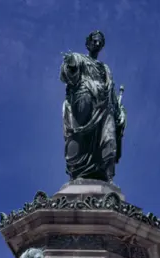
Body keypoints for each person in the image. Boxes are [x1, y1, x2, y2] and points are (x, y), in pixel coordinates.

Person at [60, 30, 127, 181]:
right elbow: (68, 75)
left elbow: (111, 93)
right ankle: (78, 173)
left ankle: (108, 179)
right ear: (88, 43)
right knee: (82, 140)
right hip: (85, 100)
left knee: (109, 138)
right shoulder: (79, 58)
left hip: (105, 107)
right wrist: (70, 65)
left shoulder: (105, 69)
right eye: (94, 41)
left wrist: (120, 112)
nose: (97, 44)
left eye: (100, 42)